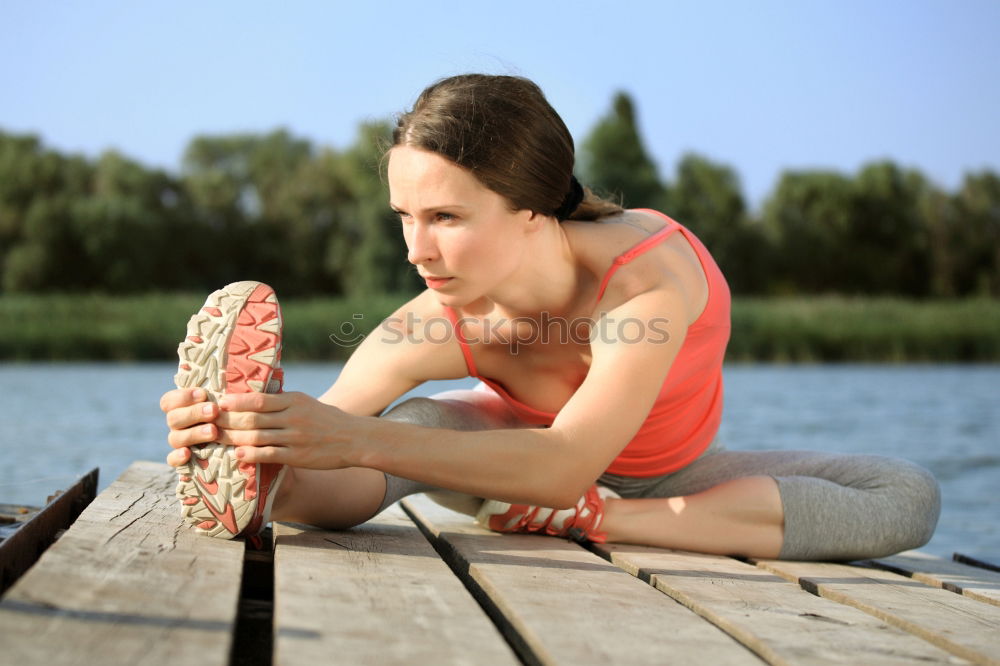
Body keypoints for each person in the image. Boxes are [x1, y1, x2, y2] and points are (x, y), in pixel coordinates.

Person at [161, 74, 940, 560]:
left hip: (661, 477)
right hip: (498, 462)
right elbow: (334, 432)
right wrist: (259, 436)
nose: (416, 249)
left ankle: (620, 523)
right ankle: (267, 494)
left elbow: (565, 465)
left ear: (535, 210)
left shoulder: (643, 290)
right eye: (404, 215)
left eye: (447, 217)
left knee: (906, 495)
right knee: (423, 423)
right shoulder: (433, 320)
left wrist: (594, 506)